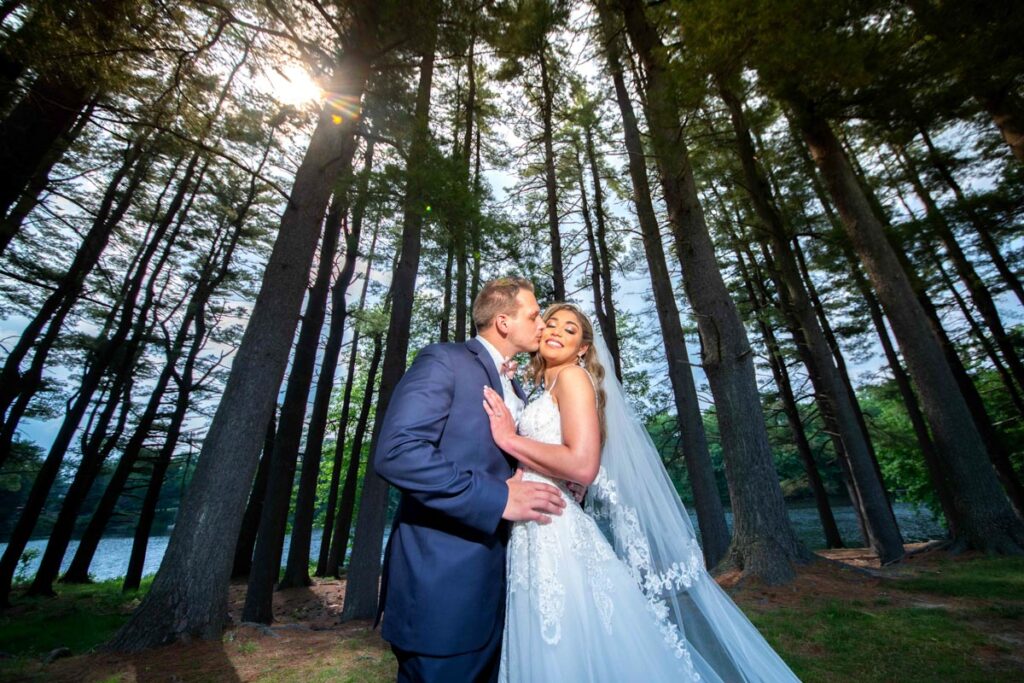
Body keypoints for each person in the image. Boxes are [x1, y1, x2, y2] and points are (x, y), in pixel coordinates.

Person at [483, 303, 802, 682]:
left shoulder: (572, 377)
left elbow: (583, 464)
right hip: (534, 523)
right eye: (550, 324)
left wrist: (508, 438)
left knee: (569, 634)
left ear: (583, 347)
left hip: (555, 529)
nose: (555, 331)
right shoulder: (543, 385)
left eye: (569, 330)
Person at [373, 277, 568, 683]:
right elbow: (398, 453)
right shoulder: (445, 361)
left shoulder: (516, 383)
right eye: (533, 316)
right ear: (503, 321)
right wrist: (498, 499)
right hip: (444, 592)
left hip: (505, 589)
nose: (543, 325)